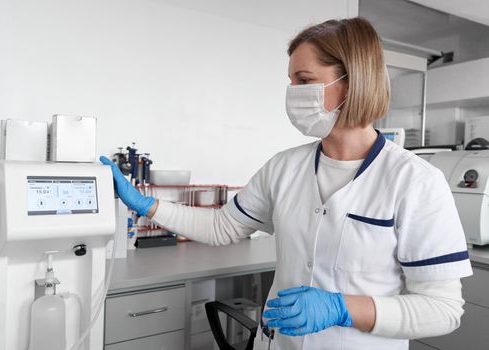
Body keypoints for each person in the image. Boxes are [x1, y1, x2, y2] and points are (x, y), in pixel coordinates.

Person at [101, 17, 472, 350]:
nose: (294, 92)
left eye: (305, 81)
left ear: (352, 81)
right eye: (291, 81)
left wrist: (341, 308)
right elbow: (222, 226)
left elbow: (442, 310)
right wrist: (146, 204)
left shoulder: (416, 181)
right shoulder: (285, 167)